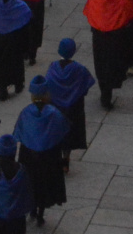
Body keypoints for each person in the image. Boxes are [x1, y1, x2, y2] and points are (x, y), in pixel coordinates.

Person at [12, 77, 70, 225]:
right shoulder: (54, 113)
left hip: (29, 156)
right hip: (48, 157)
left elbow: (19, 133)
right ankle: (40, 214)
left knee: (31, 183)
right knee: (45, 184)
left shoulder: (26, 113)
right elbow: (62, 133)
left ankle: (31, 209)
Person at [84, 0, 133, 109]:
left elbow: (88, 13)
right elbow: (129, 16)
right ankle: (108, 92)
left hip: (98, 37)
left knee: (100, 63)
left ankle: (103, 91)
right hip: (115, 37)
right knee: (112, 64)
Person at [44, 39, 96, 171]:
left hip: (56, 106)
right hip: (73, 107)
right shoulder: (79, 69)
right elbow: (86, 84)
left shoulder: (53, 67)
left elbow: (47, 85)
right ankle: (66, 157)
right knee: (70, 132)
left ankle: (56, 157)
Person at [14, 0, 54, 67]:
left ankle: (23, 52)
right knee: (35, 29)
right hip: (37, 6)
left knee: (23, 28)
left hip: (22, 5)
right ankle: (32, 55)